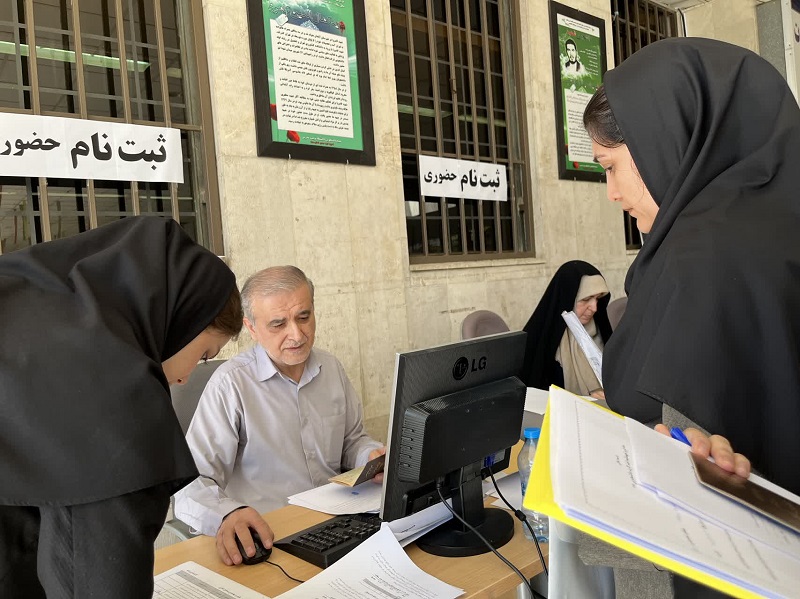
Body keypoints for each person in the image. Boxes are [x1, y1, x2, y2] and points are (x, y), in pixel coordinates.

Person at [583, 37, 799, 597]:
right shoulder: (771, 231)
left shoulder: (702, 255)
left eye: (611, 167)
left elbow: (685, 447)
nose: (612, 193)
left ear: (663, 143)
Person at [0, 216, 243, 598]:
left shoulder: (26, 321)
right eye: (203, 354)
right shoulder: (111, 393)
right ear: (181, 318)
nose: (185, 377)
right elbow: (101, 576)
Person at [174, 265, 384, 566]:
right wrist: (228, 514)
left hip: (338, 525)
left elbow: (352, 441)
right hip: (271, 537)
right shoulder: (231, 385)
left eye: (304, 317)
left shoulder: (331, 369)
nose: (296, 335)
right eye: (278, 324)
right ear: (251, 328)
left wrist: (370, 456)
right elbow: (192, 484)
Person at [521, 260, 612, 398]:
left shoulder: (602, 331)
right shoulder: (545, 342)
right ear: (568, 298)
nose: (594, 308)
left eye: (597, 299)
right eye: (586, 299)